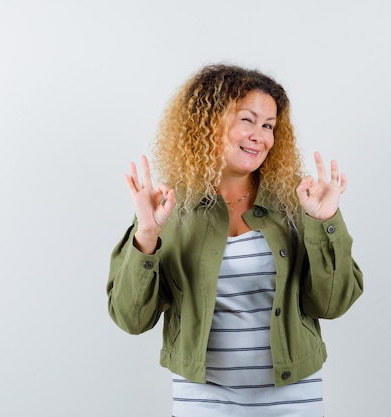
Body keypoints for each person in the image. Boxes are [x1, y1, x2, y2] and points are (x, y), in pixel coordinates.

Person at [106, 64, 363, 417]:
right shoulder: (168, 207)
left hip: (292, 393)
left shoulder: (298, 200)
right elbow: (131, 318)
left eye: (269, 125)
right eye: (247, 119)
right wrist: (147, 236)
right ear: (208, 122)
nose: (260, 135)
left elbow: (332, 304)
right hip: (203, 396)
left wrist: (325, 222)